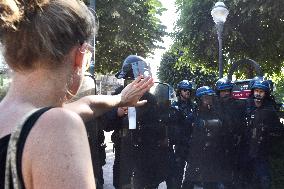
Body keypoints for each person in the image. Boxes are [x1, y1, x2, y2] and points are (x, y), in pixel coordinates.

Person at [0, 1, 153, 189]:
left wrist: (120, 99)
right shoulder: (57, 126)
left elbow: (87, 105)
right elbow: (69, 113)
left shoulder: (14, 118)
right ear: (80, 55)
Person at [99, 54, 176, 189]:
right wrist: (117, 112)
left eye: (137, 80)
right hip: (124, 154)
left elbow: (161, 127)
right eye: (130, 81)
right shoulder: (117, 96)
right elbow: (106, 125)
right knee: (124, 184)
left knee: (148, 183)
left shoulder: (151, 99)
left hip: (147, 155)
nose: (134, 85)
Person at [182, 86, 233, 189]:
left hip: (212, 154)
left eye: (210, 98)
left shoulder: (216, 113)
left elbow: (223, 127)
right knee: (189, 181)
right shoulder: (193, 115)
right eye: (206, 98)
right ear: (200, 100)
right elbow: (185, 133)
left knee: (211, 182)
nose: (208, 101)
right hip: (196, 154)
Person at [238, 79, 283, 189]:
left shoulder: (269, 109)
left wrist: (267, 132)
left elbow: (278, 131)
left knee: (263, 178)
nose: (258, 94)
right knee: (243, 177)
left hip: (261, 150)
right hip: (245, 148)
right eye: (256, 91)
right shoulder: (246, 105)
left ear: (266, 93)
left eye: (261, 91)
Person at [171, 80, 196, 189]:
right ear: (179, 91)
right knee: (177, 171)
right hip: (180, 143)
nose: (187, 92)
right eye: (185, 90)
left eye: (189, 90)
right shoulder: (174, 106)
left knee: (192, 170)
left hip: (191, 143)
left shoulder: (194, 106)